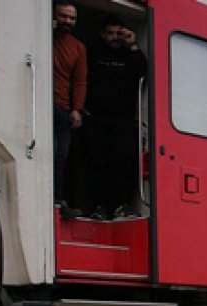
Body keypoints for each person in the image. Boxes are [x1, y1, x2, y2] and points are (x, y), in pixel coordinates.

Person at [83, 16, 146, 218]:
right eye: (110, 33)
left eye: (118, 33)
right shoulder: (92, 54)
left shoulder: (131, 56)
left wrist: (133, 45)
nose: (114, 37)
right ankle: (98, 207)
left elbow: (144, 73)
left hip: (124, 120)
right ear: (103, 34)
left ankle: (122, 205)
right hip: (97, 118)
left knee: (124, 165)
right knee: (97, 165)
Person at [52, 1, 87, 217]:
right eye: (63, 16)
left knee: (61, 156)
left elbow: (80, 81)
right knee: (51, 153)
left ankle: (58, 198)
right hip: (44, 105)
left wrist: (77, 109)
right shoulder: (44, 38)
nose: (67, 21)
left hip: (64, 108)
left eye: (72, 18)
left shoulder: (78, 47)